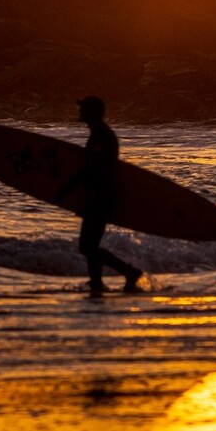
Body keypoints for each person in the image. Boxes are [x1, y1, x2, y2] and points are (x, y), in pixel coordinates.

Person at [57, 96, 145, 295]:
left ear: (94, 113)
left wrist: (68, 189)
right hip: (97, 195)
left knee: (87, 246)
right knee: (90, 245)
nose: (80, 112)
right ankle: (96, 283)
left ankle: (130, 272)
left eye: (84, 109)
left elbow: (92, 169)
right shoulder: (97, 134)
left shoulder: (102, 136)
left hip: (102, 196)